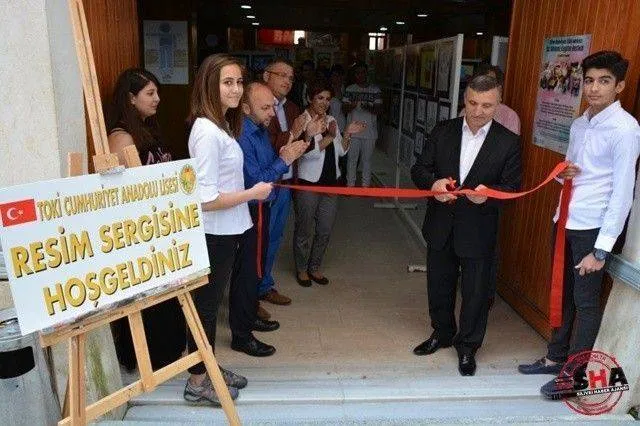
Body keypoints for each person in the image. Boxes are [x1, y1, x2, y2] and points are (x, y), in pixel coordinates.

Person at [518, 50, 640, 399]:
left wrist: (601, 249)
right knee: (563, 292)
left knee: (586, 303)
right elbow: (570, 171)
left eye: (604, 81)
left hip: (593, 228)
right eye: (589, 80)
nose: (594, 88)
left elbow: (623, 193)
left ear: (619, 86)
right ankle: (555, 358)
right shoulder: (580, 123)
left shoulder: (626, 129)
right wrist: (564, 172)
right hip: (565, 218)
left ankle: (574, 377)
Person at [410, 74, 522, 376]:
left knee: (475, 293)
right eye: (472, 103)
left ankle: (468, 346)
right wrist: (433, 184)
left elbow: (512, 188)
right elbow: (419, 168)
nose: (478, 111)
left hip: (478, 230)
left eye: (487, 105)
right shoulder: (443, 131)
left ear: (498, 103)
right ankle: (442, 333)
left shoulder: (508, 142)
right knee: (439, 285)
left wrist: (488, 195)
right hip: (441, 225)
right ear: (464, 100)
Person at [185, 54, 274, 406]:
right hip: (214, 233)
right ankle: (197, 382)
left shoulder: (220, 124)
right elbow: (205, 199)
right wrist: (253, 193)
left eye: (238, 82)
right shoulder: (207, 132)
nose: (236, 89)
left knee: (209, 305)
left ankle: (208, 367)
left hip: (228, 231)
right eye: (227, 83)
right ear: (210, 85)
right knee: (206, 309)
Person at [106, 68, 182, 371]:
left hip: (159, 228)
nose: (158, 99)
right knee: (146, 302)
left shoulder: (148, 129)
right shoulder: (121, 137)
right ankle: (144, 356)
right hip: (139, 234)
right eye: (150, 93)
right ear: (130, 98)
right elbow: (115, 192)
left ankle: (164, 354)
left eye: (156, 92)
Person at [237, 81, 308, 330]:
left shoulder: (260, 129)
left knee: (257, 261)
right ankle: (245, 320)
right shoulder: (244, 136)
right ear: (246, 108)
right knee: (250, 265)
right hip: (252, 208)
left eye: (273, 107)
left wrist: (284, 154)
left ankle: (250, 310)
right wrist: (285, 160)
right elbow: (256, 180)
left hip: (264, 205)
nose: (272, 113)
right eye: (266, 108)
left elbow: (268, 165)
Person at [294, 81, 366, 287]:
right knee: (304, 230)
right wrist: (330, 137)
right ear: (310, 98)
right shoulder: (302, 121)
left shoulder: (332, 119)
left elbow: (341, 152)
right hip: (309, 183)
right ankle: (301, 269)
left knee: (325, 230)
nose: (324, 102)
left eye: (327, 99)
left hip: (331, 183)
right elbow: (305, 154)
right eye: (320, 98)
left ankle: (314, 267)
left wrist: (347, 133)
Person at [258, 59, 308, 316]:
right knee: (258, 240)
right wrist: (293, 133)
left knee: (275, 237)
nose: (287, 81)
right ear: (266, 76)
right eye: (282, 75)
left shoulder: (292, 107)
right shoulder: (256, 106)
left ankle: (265, 285)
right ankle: (251, 294)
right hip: (265, 183)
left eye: (291, 77)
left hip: (286, 183)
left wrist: (310, 134)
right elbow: (267, 146)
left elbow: (299, 147)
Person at [343, 61, 383, 187]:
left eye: (363, 72)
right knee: (352, 159)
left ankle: (365, 187)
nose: (360, 75)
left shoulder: (375, 90)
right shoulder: (350, 89)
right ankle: (350, 185)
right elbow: (344, 109)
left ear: (367, 73)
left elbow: (379, 110)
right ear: (355, 75)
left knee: (367, 161)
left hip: (370, 132)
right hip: (353, 132)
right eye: (358, 73)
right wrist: (353, 105)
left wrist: (367, 107)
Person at [459, 65, 520, 135]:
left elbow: (510, 140)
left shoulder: (510, 116)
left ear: (499, 89)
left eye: (489, 84)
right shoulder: (464, 111)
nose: (477, 112)